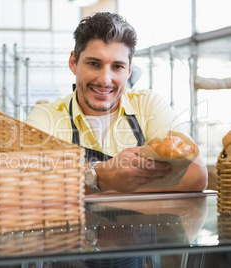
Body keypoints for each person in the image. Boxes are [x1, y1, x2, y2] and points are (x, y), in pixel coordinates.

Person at [25, 12, 208, 194]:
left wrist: (84, 183)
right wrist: (102, 176)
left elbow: (196, 175)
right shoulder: (47, 116)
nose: (105, 80)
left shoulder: (148, 106)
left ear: (129, 70)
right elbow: (25, 179)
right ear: (73, 62)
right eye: (94, 64)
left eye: (117, 67)